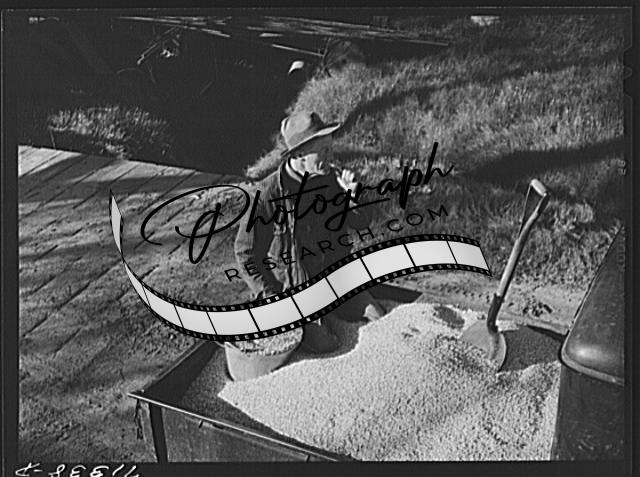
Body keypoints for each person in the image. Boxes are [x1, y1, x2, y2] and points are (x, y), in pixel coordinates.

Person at [234, 111, 385, 353]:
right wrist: (271, 298)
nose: (330, 156)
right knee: (327, 346)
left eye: (330, 148)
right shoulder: (268, 195)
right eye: (322, 152)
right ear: (299, 155)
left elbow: (360, 223)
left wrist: (352, 195)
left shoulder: (331, 180)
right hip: (295, 292)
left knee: (380, 318)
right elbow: (245, 253)